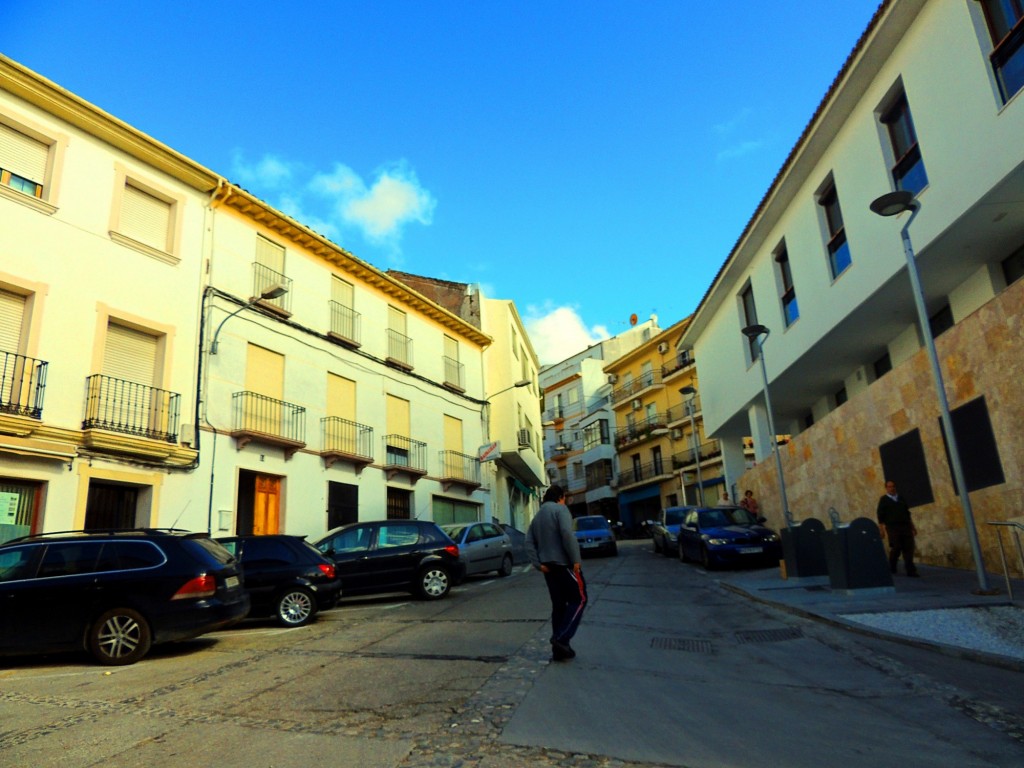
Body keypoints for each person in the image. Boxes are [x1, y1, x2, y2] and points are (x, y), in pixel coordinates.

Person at [526, 484, 587, 661]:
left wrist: (538, 564)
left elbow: (528, 543)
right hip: (564, 565)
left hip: (548, 568)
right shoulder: (560, 510)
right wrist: (576, 559)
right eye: (564, 498)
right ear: (560, 497)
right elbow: (567, 533)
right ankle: (561, 638)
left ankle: (559, 651)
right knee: (580, 599)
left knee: (559, 605)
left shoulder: (537, 517)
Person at [876, 479, 919, 577]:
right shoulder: (884, 500)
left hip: (905, 526)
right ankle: (892, 565)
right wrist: (881, 529)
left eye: (893, 486)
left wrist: (913, 527)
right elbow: (880, 516)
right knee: (897, 547)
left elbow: (907, 514)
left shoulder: (901, 498)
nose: (892, 488)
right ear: (886, 488)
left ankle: (911, 570)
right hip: (892, 527)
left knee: (909, 548)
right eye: (889, 487)